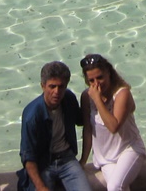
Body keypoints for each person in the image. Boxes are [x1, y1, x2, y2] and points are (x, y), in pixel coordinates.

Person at [17, 61, 91, 191]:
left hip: (67, 159)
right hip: (44, 163)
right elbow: (28, 156)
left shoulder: (69, 99)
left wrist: (96, 98)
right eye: (52, 86)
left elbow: (82, 120)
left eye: (61, 87)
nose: (57, 92)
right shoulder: (32, 115)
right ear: (43, 86)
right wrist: (41, 187)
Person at [78, 54, 145, 191]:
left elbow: (113, 126)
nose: (96, 83)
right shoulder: (86, 97)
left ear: (108, 72)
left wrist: (97, 100)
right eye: (91, 80)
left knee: (115, 186)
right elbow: (88, 130)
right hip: (106, 158)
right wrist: (83, 161)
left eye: (100, 77)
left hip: (129, 150)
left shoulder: (122, 94)